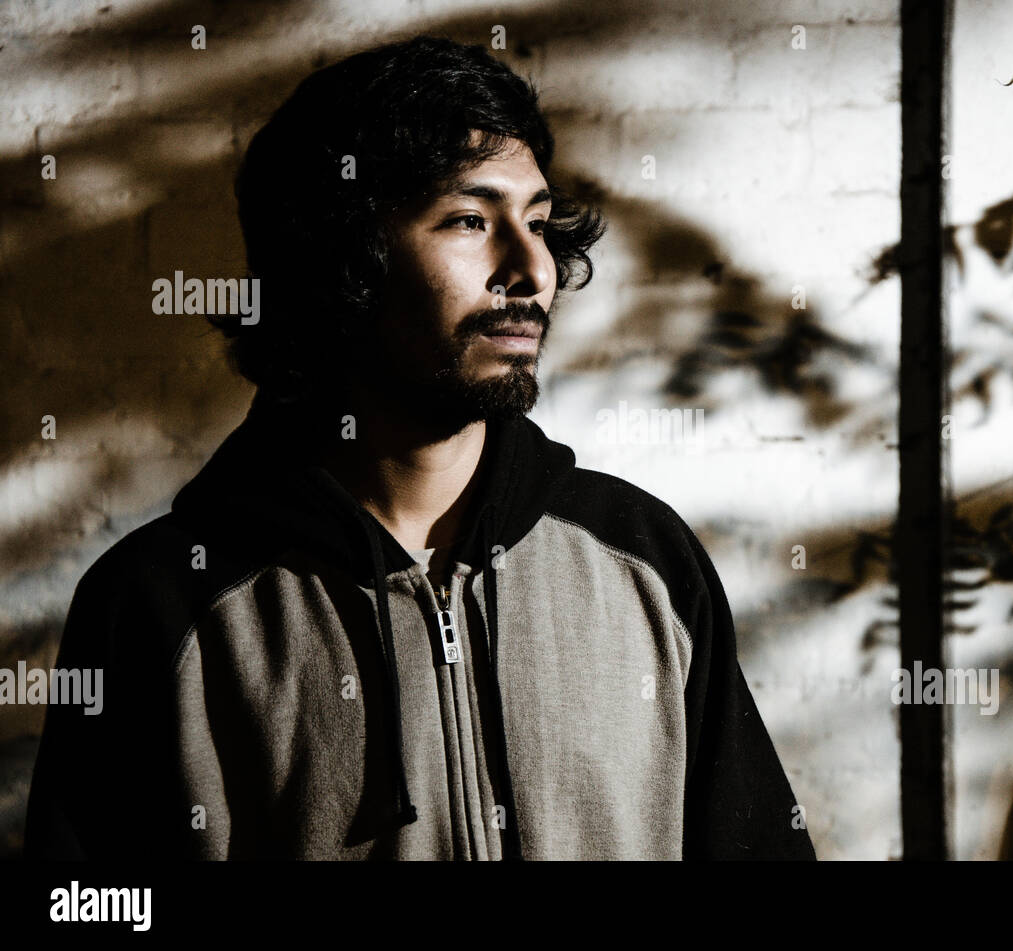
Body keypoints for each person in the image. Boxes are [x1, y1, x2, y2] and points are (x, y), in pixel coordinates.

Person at [24, 35, 815, 861]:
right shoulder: (162, 603)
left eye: (538, 223)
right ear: (342, 259)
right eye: (470, 220)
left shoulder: (643, 558)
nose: (530, 268)